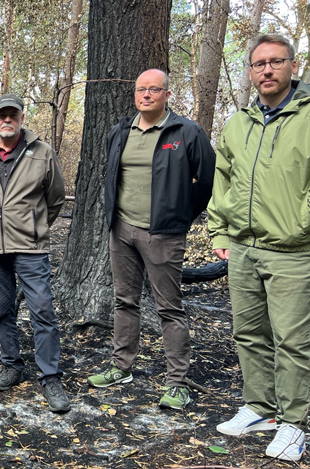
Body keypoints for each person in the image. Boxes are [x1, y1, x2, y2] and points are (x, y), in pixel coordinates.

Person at [87, 69, 215, 410]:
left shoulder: (186, 132)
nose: (146, 95)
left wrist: (180, 217)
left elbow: (205, 182)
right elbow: (111, 175)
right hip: (122, 230)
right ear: (135, 94)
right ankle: (121, 367)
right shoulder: (120, 132)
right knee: (124, 300)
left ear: (166, 94)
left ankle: (177, 382)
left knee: (169, 308)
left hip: (163, 234)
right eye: (141, 89)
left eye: (154, 90)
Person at [208, 34, 310, 462]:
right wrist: (218, 232)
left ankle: (294, 423)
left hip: (293, 249)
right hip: (243, 249)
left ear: (293, 65)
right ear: (250, 71)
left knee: (292, 340)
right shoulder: (238, 123)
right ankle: (260, 408)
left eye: (276, 62)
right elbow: (223, 181)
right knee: (248, 333)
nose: (267, 70)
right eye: (259, 64)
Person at [0, 94, 69, 413]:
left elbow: (55, 199)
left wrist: (34, 226)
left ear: (22, 118)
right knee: (2, 310)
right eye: (1, 115)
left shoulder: (41, 152)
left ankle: (50, 376)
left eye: (13, 114)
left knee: (42, 310)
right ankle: (11, 364)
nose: (7, 120)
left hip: (30, 247)